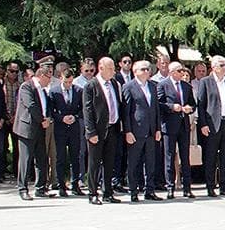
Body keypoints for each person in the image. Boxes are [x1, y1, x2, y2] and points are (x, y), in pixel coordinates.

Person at [193, 55, 225, 196]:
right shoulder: (206, 82)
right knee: (211, 156)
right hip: (212, 124)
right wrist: (203, 124)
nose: (224, 68)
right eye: (221, 65)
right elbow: (201, 105)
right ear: (213, 67)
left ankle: (224, 186)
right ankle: (210, 186)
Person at [82, 57, 123, 204]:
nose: (113, 71)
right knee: (94, 163)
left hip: (112, 128)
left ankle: (108, 192)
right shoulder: (91, 86)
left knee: (109, 162)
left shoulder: (113, 83)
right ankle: (93, 193)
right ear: (101, 68)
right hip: (97, 131)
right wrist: (91, 132)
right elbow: (87, 111)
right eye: (110, 68)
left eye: (113, 68)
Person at [122, 60, 162, 201]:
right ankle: (133, 190)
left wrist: (157, 128)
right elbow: (126, 112)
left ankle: (149, 190)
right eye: (143, 69)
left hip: (151, 130)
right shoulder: (129, 87)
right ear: (135, 71)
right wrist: (128, 131)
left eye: (148, 69)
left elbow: (156, 109)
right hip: (136, 131)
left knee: (150, 162)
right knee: (134, 162)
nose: (147, 71)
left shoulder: (152, 86)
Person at [14, 63, 56, 200]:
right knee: (26, 159)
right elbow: (30, 105)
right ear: (41, 75)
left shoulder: (44, 90)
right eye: (48, 77)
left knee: (42, 159)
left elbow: (46, 106)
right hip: (27, 128)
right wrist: (42, 120)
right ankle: (23, 188)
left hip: (40, 128)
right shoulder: (27, 86)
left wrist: (47, 118)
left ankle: (40, 188)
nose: (50, 80)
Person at [158, 61, 195, 199]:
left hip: (183, 125)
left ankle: (187, 188)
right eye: (180, 71)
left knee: (185, 157)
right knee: (169, 156)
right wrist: (172, 107)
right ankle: (170, 187)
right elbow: (159, 104)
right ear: (172, 72)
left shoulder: (186, 86)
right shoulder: (163, 85)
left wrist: (189, 108)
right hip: (169, 125)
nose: (182, 73)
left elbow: (193, 104)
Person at [53, 68, 84, 197]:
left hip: (74, 128)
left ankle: (75, 184)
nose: (68, 85)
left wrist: (75, 117)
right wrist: (61, 118)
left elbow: (83, 109)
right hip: (60, 128)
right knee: (60, 158)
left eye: (70, 82)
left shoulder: (78, 91)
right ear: (61, 78)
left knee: (75, 157)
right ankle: (61, 185)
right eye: (66, 82)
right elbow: (51, 110)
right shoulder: (54, 91)